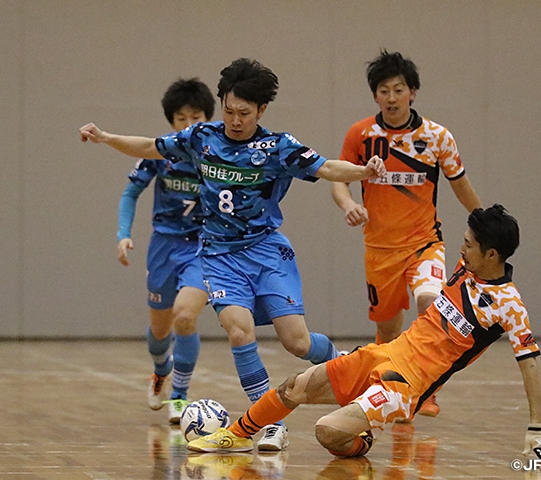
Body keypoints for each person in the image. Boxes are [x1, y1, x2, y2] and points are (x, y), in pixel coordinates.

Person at [80, 58, 386, 451]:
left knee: (297, 343)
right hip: (219, 256)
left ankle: (348, 360)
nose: (235, 119)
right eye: (228, 110)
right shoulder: (201, 137)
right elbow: (149, 146)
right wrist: (106, 137)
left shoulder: (278, 147)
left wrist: (363, 172)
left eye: (244, 113)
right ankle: (270, 421)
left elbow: (326, 168)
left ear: (261, 110)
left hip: (267, 253)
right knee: (238, 330)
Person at [186, 205, 541, 464]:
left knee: (327, 433)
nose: (462, 248)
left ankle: (365, 434)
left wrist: (538, 429)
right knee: (293, 387)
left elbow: (529, 366)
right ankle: (235, 435)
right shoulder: (465, 267)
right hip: (384, 353)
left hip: (405, 385)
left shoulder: (509, 305)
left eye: (469, 244)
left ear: (493, 254)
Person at [331, 50, 482, 416]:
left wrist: (481, 219)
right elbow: (338, 181)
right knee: (387, 332)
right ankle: (392, 386)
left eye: (399, 89)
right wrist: (349, 205)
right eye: (384, 91)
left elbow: (459, 184)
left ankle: (426, 387)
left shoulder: (437, 137)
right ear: (375, 96)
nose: (392, 97)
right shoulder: (361, 134)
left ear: (412, 92)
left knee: (429, 301)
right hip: (380, 250)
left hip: (424, 243)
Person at [116, 78, 214, 423]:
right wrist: (123, 234)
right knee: (159, 331)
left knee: (185, 317)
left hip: (203, 247)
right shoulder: (161, 153)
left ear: (209, 118)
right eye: (181, 119)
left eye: (196, 118)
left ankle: (180, 395)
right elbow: (131, 193)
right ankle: (161, 370)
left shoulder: (220, 156)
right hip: (164, 245)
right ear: (172, 122)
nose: (189, 125)